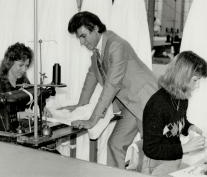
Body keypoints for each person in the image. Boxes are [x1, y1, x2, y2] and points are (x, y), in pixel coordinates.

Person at [64, 11, 158, 168]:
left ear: (95, 28)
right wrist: (79, 106)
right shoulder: (97, 52)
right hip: (130, 105)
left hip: (146, 101)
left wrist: (92, 120)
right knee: (115, 144)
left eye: (83, 36)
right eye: (79, 37)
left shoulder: (116, 45)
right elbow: (91, 77)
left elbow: (112, 85)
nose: (81, 42)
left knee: (149, 152)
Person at [142, 51, 207, 177]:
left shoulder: (182, 98)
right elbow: (151, 149)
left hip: (173, 160)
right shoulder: (158, 104)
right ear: (182, 77)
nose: (198, 85)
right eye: (195, 80)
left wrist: (189, 127)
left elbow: (177, 121)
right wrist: (185, 148)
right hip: (156, 165)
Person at [0, 42, 33, 124]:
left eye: (26, 66)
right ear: (9, 63)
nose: (24, 70)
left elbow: (30, 104)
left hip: (19, 128)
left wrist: (41, 110)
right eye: (21, 65)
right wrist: (19, 115)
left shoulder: (24, 82)